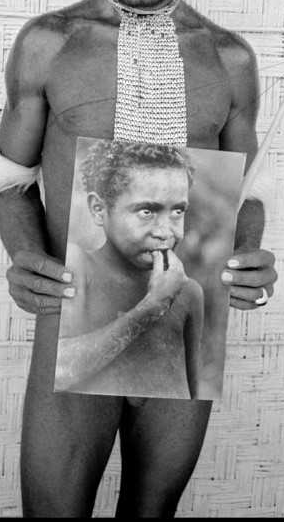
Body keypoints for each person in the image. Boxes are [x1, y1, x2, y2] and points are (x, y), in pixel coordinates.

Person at [0, 0, 278, 518]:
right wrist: (24, 255)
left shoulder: (230, 58)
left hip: (185, 318)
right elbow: (8, 176)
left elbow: (248, 188)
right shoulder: (49, 43)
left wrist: (248, 255)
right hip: (75, 321)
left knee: (152, 511)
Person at [54, 139, 204, 400]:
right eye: (147, 211)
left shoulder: (189, 292)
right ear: (99, 210)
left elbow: (193, 394)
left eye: (178, 211)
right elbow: (59, 369)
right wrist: (153, 305)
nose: (165, 232)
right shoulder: (79, 266)